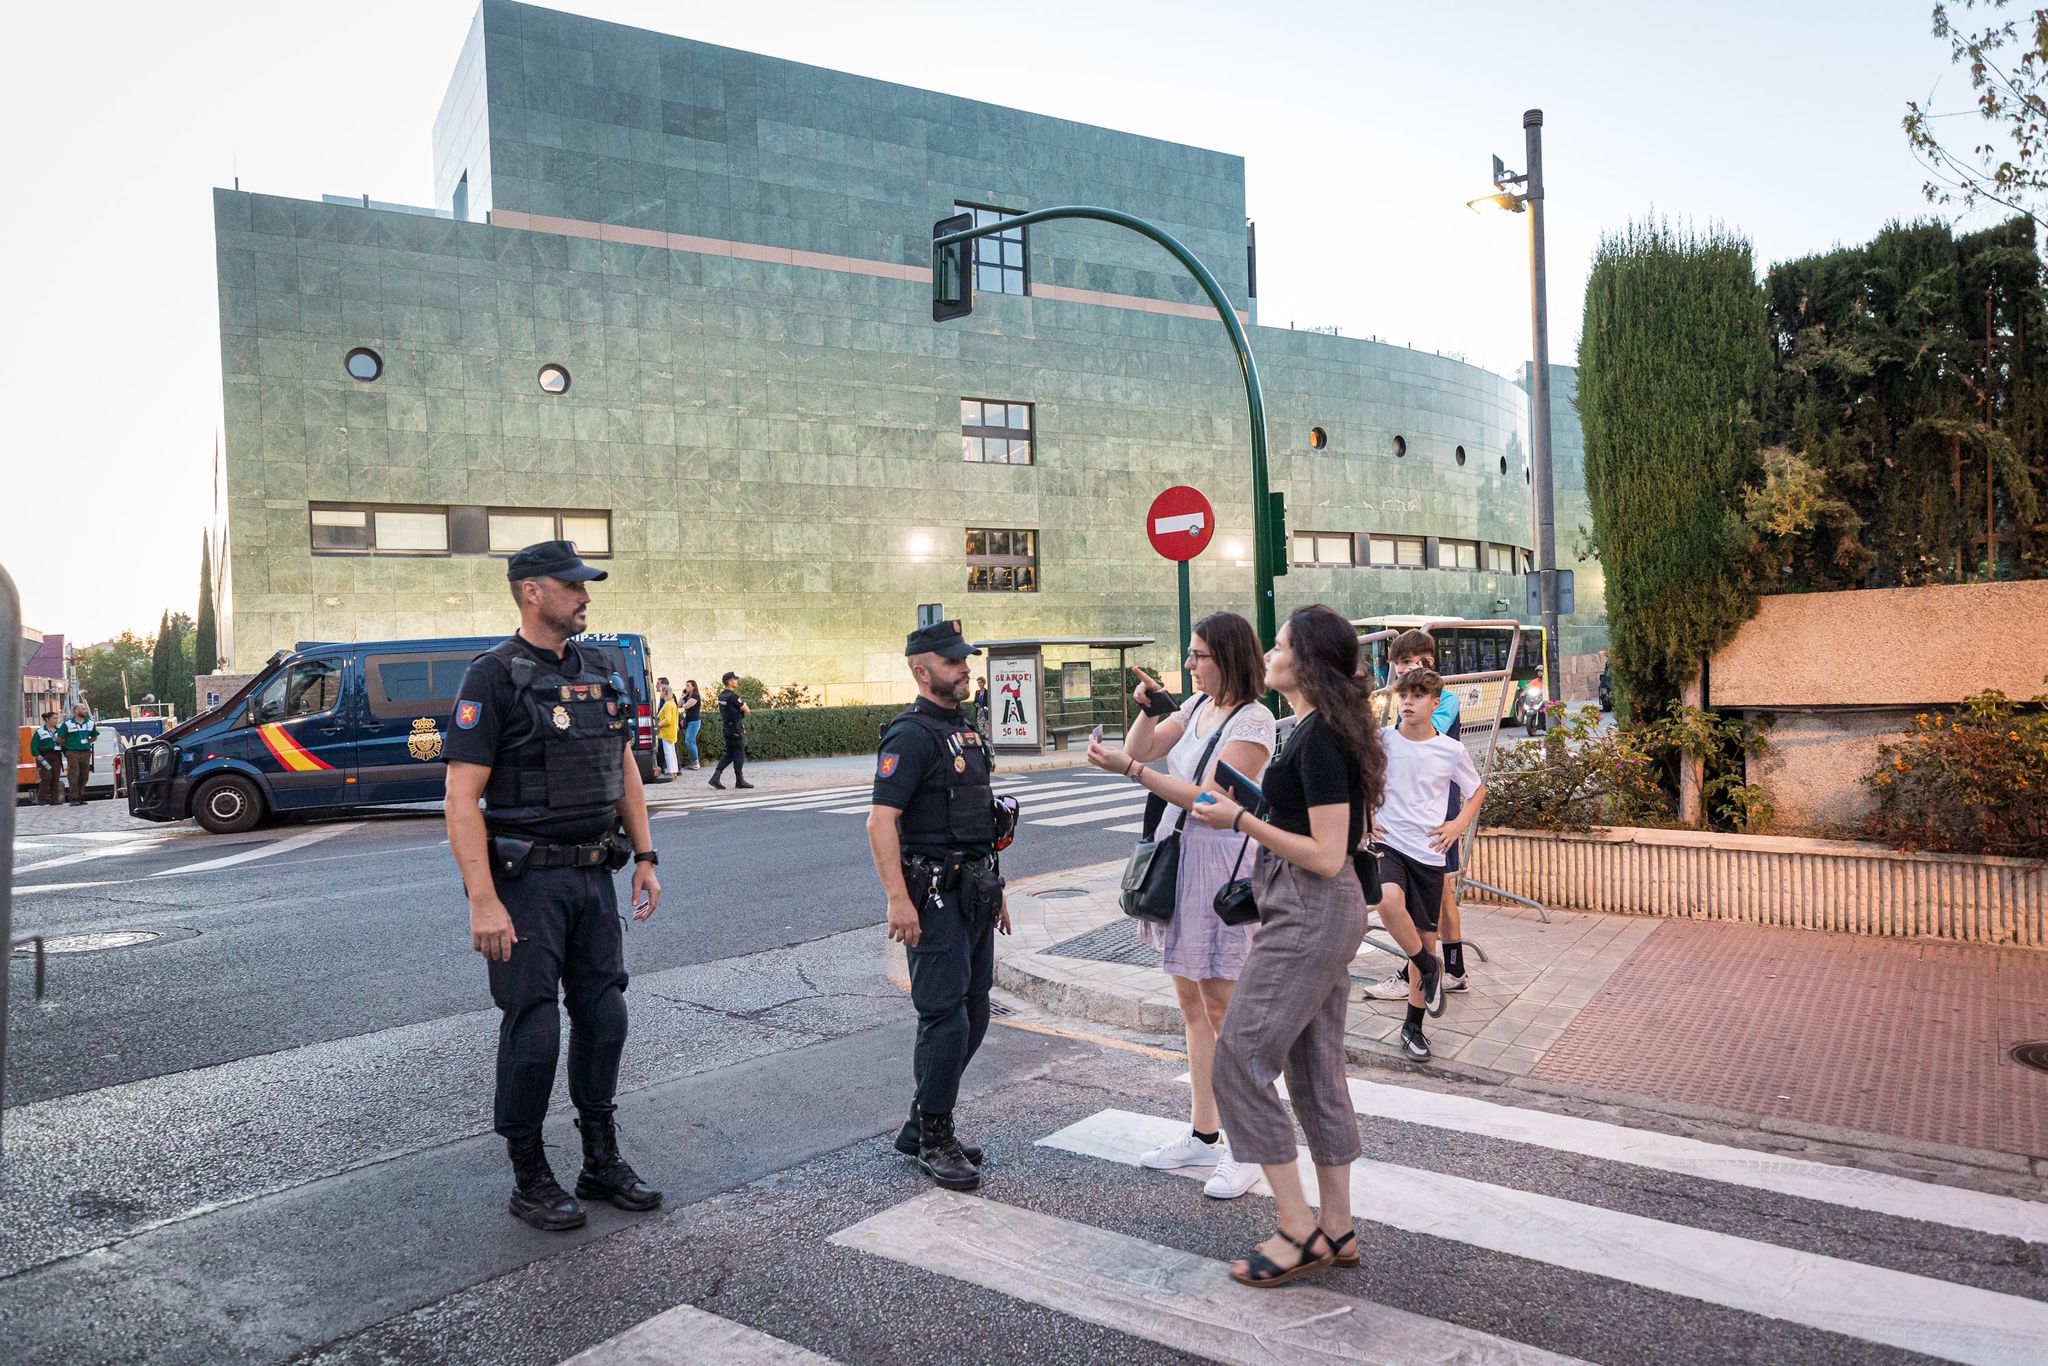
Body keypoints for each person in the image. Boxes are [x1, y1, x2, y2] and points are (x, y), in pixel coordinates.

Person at [442, 540, 665, 1232]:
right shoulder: (493, 677)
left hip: (594, 876)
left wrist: (648, 856)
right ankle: (529, 1173)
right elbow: (459, 799)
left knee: (605, 1018)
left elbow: (623, 767)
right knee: (534, 1029)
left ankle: (600, 1159)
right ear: (532, 592)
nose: (586, 596)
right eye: (572, 586)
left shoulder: (600, 669)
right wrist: (483, 900)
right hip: (526, 885)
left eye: (586, 586)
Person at [1187, 604, 1383, 1289]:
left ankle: (1297, 1227)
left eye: (1279, 645)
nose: (1269, 653)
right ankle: (1337, 1228)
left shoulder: (1322, 737)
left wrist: (1241, 816)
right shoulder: (1306, 728)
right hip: (1312, 909)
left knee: (1238, 1060)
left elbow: (1328, 854)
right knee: (1314, 1071)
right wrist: (1256, 810)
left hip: (1310, 910)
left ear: (1306, 662)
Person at [1085, 613, 1275, 1200]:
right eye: (1189, 656)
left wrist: (1137, 770)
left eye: (1199, 656)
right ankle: (1203, 1132)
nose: (1189, 665)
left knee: (1226, 1010)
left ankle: (1251, 1149)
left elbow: (1207, 798)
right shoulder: (1195, 707)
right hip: (1179, 860)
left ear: (1229, 658)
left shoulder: (1255, 720)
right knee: (1192, 1003)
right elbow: (1141, 749)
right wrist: (1147, 711)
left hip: (1221, 864)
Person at [866, 618, 1014, 1193]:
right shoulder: (910, 735)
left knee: (975, 1012)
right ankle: (934, 1137)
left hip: (973, 894)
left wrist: (997, 891)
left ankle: (919, 1120)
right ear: (922, 671)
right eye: (954, 662)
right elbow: (881, 823)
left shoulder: (966, 730)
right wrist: (897, 901)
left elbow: (982, 821)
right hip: (930, 898)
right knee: (943, 1016)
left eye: (965, 659)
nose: (965, 668)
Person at [1372, 668, 1485, 1060]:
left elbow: (1476, 791)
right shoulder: (1382, 740)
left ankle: (1413, 1027)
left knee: (1425, 935)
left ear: (1436, 704)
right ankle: (1426, 963)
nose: (1407, 702)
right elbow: (1363, 779)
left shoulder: (1451, 751)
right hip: (1389, 844)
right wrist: (1368, 814)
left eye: (1417, 696)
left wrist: (1457, 824)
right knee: (1387, 901)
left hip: (1429, 854)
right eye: (1403, 695)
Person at [1365, 630, 1476, 998]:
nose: (1402, 675)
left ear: (1428, 662)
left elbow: (1427, 738)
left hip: (1435, 808)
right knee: (1437, 891)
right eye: (1398, 668)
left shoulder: (1444, 701)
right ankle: (1448, 968)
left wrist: (1459, 823)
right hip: (1410, 812)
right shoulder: (1405, 706)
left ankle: (1424, 968)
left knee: (1434, 893)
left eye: (1410, 665)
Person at [708, 671, 752, 789]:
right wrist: (742, 708)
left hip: (727, 727)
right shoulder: (733, 696)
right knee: (739, 755)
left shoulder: (722, 696)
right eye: (735, 679)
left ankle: (715, 777)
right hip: (736, 728)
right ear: (730, 681)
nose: (736, 681)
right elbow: (747, 709)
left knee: (729, 755)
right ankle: (740, 781)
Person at [58, 702, 99, 805]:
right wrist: (69, 745)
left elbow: (94, 736)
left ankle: (80, 796)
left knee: (84, 775)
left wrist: (86, 742)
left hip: (85, 751)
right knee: (74, 774)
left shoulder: (90, 723)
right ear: (76, 711)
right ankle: (73, 798)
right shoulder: (67, 724)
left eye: (85, 709)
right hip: (72, 752)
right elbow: (59, 739)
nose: (85, 711)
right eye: (83, 709)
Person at [31, 709, 64, 805]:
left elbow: (64, 743)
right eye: (54, 718)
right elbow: (33, 745)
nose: (56, 720)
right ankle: (41, 799)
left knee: (55, 778)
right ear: (47, 719)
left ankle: (55, 800)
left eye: (57, 718)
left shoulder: (59, 731)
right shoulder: (40, 731)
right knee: (47, 778)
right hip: (44, 757)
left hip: (56, 756)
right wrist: (37, 755)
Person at [653, 678, 680, 781]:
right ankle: (674, 772)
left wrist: (659, 724)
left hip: (666, 732)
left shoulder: (668, 705)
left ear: (664, 693)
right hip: (671, 732)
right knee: (672, 752)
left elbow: (667, 720)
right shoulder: (672, 704)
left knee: (668, 753)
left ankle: (671, 773)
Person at [680, 680, 703, 770]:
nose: (686, 687)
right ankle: (694, 762)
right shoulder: (687, 696)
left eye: (688, 685)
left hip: (694, 722)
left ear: (693, 687)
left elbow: (686, 706)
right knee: (692, 742)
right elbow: (679, 705)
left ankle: (696, 762)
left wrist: (684, 703)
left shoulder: (695, 696)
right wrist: (682, 696)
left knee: (688, 741)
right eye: (686, 685)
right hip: (688, 721)